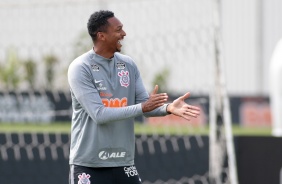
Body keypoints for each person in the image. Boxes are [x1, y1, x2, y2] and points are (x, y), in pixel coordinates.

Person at [68, 10, 200, 184]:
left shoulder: (128, 64)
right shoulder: (80, 67)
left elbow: (144, 105)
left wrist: (168, 108)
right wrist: (143, 107)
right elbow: (99, 115)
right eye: (118, 30)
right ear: (102, 36)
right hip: (89, 165)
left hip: (123, 163)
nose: (124, 34)